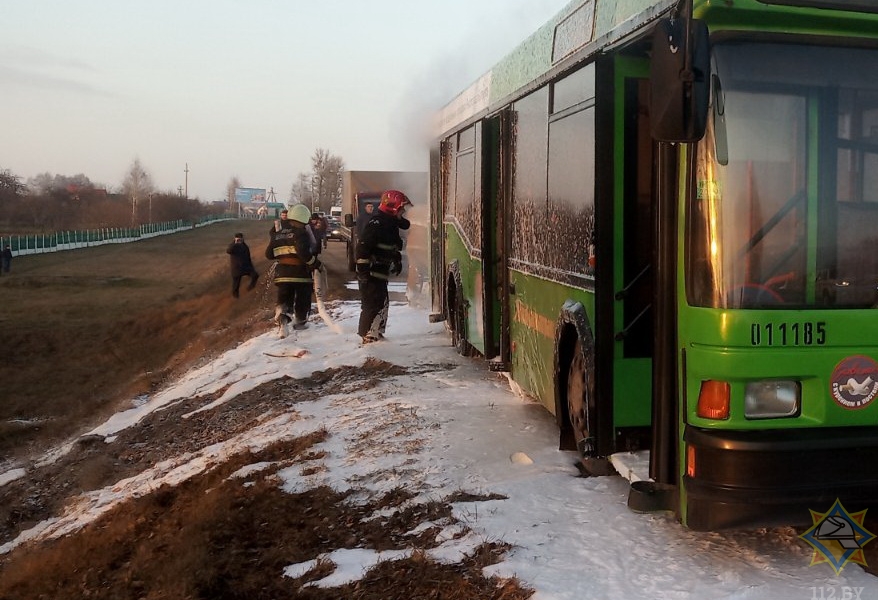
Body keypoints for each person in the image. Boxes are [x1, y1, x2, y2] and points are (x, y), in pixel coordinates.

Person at [355, 190, 411, 344]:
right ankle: (369, 336)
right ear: (392, 208)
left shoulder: (389, 224)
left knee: (382, 302)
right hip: (372, 272)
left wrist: (396, 258)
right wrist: (363, 272)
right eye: (401, 209)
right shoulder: (377, 223)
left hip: (380, 272)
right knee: (374, 303)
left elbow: (388, 246)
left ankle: (376, 333)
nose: (403, 212)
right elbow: (362, 248)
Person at [265, 205, 321, 338]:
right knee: (303, 297)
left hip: (282, 274)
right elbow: (303, 253)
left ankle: (283, 321)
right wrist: (315, 263)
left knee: (284, 298)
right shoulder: (301, 233)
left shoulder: (278, 233)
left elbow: (269, 254)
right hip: (300, 274)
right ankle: (300, 322)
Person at [226, 233, 258, 298]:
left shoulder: (245, 246)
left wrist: (251, 267)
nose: (240, 240)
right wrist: (235, 243)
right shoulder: (233, 246)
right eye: (238, 239)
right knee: (236, 285)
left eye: (241, 239)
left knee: (255, 275)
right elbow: (228, 251)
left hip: (246, 267)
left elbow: (248, 257)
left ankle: (250, 288)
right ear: (235, 239)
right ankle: (235, 298)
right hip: (237, 268)